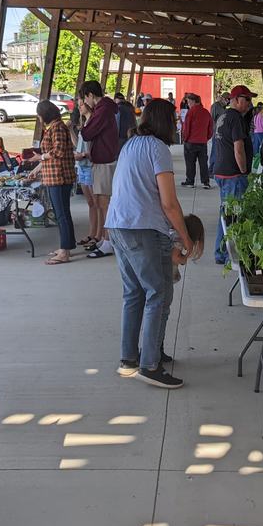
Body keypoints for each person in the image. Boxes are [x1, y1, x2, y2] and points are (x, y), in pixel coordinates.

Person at [105, 99, 194, 389]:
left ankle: (130, 359)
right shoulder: (158, 149)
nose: (177, 124)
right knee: (158, 293)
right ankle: (150, 365)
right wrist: (184, 237)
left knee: (134, 294)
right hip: (142, 227)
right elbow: (168, 203)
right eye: (174, 120)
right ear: (165, 121)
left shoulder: (131, 144)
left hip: (118, 225)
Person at [25, 100, 76, 265]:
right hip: (55, 176)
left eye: (39, 115)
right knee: (62, 213)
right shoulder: (55, 127)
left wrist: (40, 157)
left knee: (61, 214)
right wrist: (36, 169)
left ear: (44, 115)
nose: (39, 119)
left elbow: (58, 151)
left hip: (59, 178)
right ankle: (66, 246)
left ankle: (65, 251)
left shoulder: (57, 128)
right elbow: (50, 154)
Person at [213, 85, 256, 265]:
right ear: (237, 99)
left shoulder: (223, 116)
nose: (249, 104)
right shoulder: (236, 118)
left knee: (226, 213)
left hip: (222, 171)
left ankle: (221, 251)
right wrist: (244, 171)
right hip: (233, 175)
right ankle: (225, 254)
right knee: (233, 215)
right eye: (247, 99)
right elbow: (238, 149)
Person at [79, 80, 119, 259]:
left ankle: (109, 241)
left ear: (90, 95)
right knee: (102, 203)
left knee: (105, 203)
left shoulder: (102, 110)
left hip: (104, 161)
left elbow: (87, 133)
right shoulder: (106, 108)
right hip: (104, 160)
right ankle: (105, 238)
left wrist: (88, 117)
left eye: (85, 98)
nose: (85, 103)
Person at [70, 109, 98, 247]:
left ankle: (98, 235)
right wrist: (70, 130)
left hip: (89, 165)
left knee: (97, 203)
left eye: (81, 103)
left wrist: (83, 155)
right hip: (82, 165)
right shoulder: (84, 124)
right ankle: (92, 234)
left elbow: (95, 148)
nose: (79, 106)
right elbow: (78, 145)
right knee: (91, 203)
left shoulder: (93, 123)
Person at [181, 93, 213, 189]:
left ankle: (190, 181)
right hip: (202, 142)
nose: (188, 104)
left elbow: (186, 127)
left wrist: (185, 138)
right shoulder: (206, 112)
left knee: (190, 162)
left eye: (189, 102)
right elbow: (210, 127)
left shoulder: (191, 112)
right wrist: (206, 137)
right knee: (203, 163)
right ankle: (205, 182)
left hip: (191, 141)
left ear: (194, 102)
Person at [172, 214, 205, 283]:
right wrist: (184, 258)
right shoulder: (179, 239)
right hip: (165, 274)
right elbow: (175, 257)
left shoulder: (174, 233)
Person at [209, 91, 231, 175]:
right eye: (228, 99)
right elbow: (212, 119)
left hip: (223, 134)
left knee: (220, 152)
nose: (229, 101)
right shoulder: (216, 106)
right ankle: (211, 170)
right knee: (215, 151)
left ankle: (216, 170)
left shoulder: (224, 108)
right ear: (223, 98)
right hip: (216, 133)